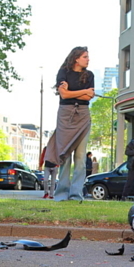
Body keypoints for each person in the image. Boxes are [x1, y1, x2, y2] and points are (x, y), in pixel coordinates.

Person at [50, 46, 95, 201]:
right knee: (65, 155)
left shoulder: (89, 75)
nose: (88, 59)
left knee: (81, 157)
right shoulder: (63, 72)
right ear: (76, 58)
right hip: (65, 114)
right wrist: (83, 92)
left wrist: (72, 93)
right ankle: (61, 194)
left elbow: (89, 97)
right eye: (85, 57)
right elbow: (63, 94)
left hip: (83, 114)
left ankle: (76, 195)